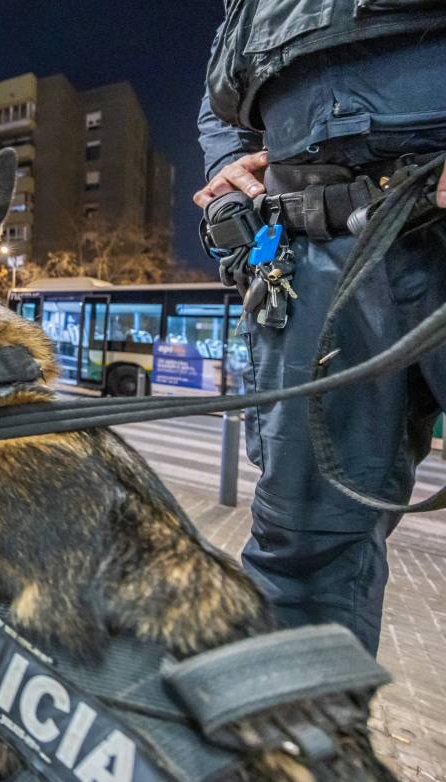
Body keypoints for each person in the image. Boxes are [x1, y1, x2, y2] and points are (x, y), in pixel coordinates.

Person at [195, 3, 446, 655]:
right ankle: (293, 748)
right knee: (300, 561)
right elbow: (220, 99)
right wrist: (226, 181)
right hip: (311, 256)